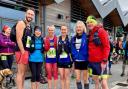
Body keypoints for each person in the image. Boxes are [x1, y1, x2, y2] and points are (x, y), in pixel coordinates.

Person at [86, 15, 110, 89]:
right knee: (96, 83)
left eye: (91, 22)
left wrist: (104, 61)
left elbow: (107, 46)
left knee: (104, 83)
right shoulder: (89, 34)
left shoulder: (101, 31)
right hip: (91, 63)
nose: (89, 24)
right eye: (88, 22)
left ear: (95, 23)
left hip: (101, 62)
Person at [15, 8, 35, 89]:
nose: (30, 16)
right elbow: (18, 39)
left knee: (23, 73)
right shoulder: (21, 23)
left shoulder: (29, 26)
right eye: (29, 14)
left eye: (32, 14)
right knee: (20, 72)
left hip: (26, 51)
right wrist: (23, 52)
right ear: (25, 14)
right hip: (21, 51)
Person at [71, 21, 89, 89]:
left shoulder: (87, 37)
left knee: (85, 79)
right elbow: (72, 48)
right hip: (77, 61)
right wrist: (75, 57)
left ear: (83, 28)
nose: (78, 28)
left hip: (85, 61)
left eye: (80, 27)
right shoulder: (73, 38)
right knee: (77, 79)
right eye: (77, 27)